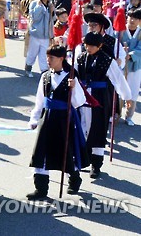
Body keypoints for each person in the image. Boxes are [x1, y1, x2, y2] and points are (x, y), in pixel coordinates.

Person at [26, 45, 87, 200]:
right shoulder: (45, 76)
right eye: (47, 57)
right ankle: (41, 189)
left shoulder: (72, 76)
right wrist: (34, 118)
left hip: (63, 120)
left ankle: (74, 179)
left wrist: (75, 88)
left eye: (51, 58)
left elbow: (79, 101)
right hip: (46, 119)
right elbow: (40, 100)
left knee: (65, 151)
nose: (48, 60)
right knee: (41, 152)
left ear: (61, 59)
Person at [76, 32, 131, 179]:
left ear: (100, 46)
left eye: (92, 45)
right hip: (82, 97)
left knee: (98, 130)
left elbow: (118, 79)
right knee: (82, 127)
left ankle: (96, 164)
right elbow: (74, 74)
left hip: (100, 98)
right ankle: (82, 158)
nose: (89, 48)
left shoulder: (107, 61)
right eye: (87, 45)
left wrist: (127, 96)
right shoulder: (81, 58)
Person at [25, 0, 54, 77]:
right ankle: (28, 68)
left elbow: (53, 19)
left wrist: (52, 11)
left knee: (43, 55)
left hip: (46, 35)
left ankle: (44, 71)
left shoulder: (50, 4)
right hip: (35, 33)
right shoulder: (34, 3)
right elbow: (34, 17)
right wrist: (39, 7)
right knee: (32, 53)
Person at [120, 9, 141, 126]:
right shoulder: (121, 31)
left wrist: (130, 55)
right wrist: (122, 54)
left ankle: (129, 115)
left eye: (136, 18)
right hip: (122, 65)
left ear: (139, 21)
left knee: (133, 90)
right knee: (119, 88)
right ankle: (116, 113)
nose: (132, 20)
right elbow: (116, 45)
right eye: (130, 17)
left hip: (135, 66)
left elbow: (140, 49)